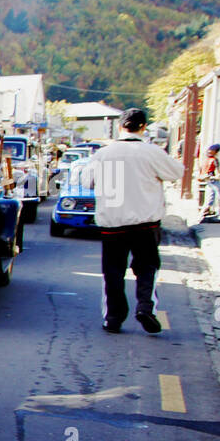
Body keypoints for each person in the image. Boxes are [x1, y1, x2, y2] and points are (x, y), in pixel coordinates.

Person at [86, 107, 183, 334]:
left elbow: (88, 181)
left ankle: (113, 317)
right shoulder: (151, 152)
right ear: (143, 127)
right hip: (145, 222)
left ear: (120, 127)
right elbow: (176, 172)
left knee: (112, 271)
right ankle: (145, 307)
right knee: (147, 267)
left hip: (113, 222)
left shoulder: (103, 154)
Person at [200, 143, 220, 219]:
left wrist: (217, 175)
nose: (209, 151)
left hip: (212, 178)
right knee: (213, 194)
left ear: (215, 152)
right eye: (209, 150)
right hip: (209, 178)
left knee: (219, 193)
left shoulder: (213, 160)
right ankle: (208, 209)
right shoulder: (207, 159)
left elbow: (216, 169)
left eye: (211, 150)